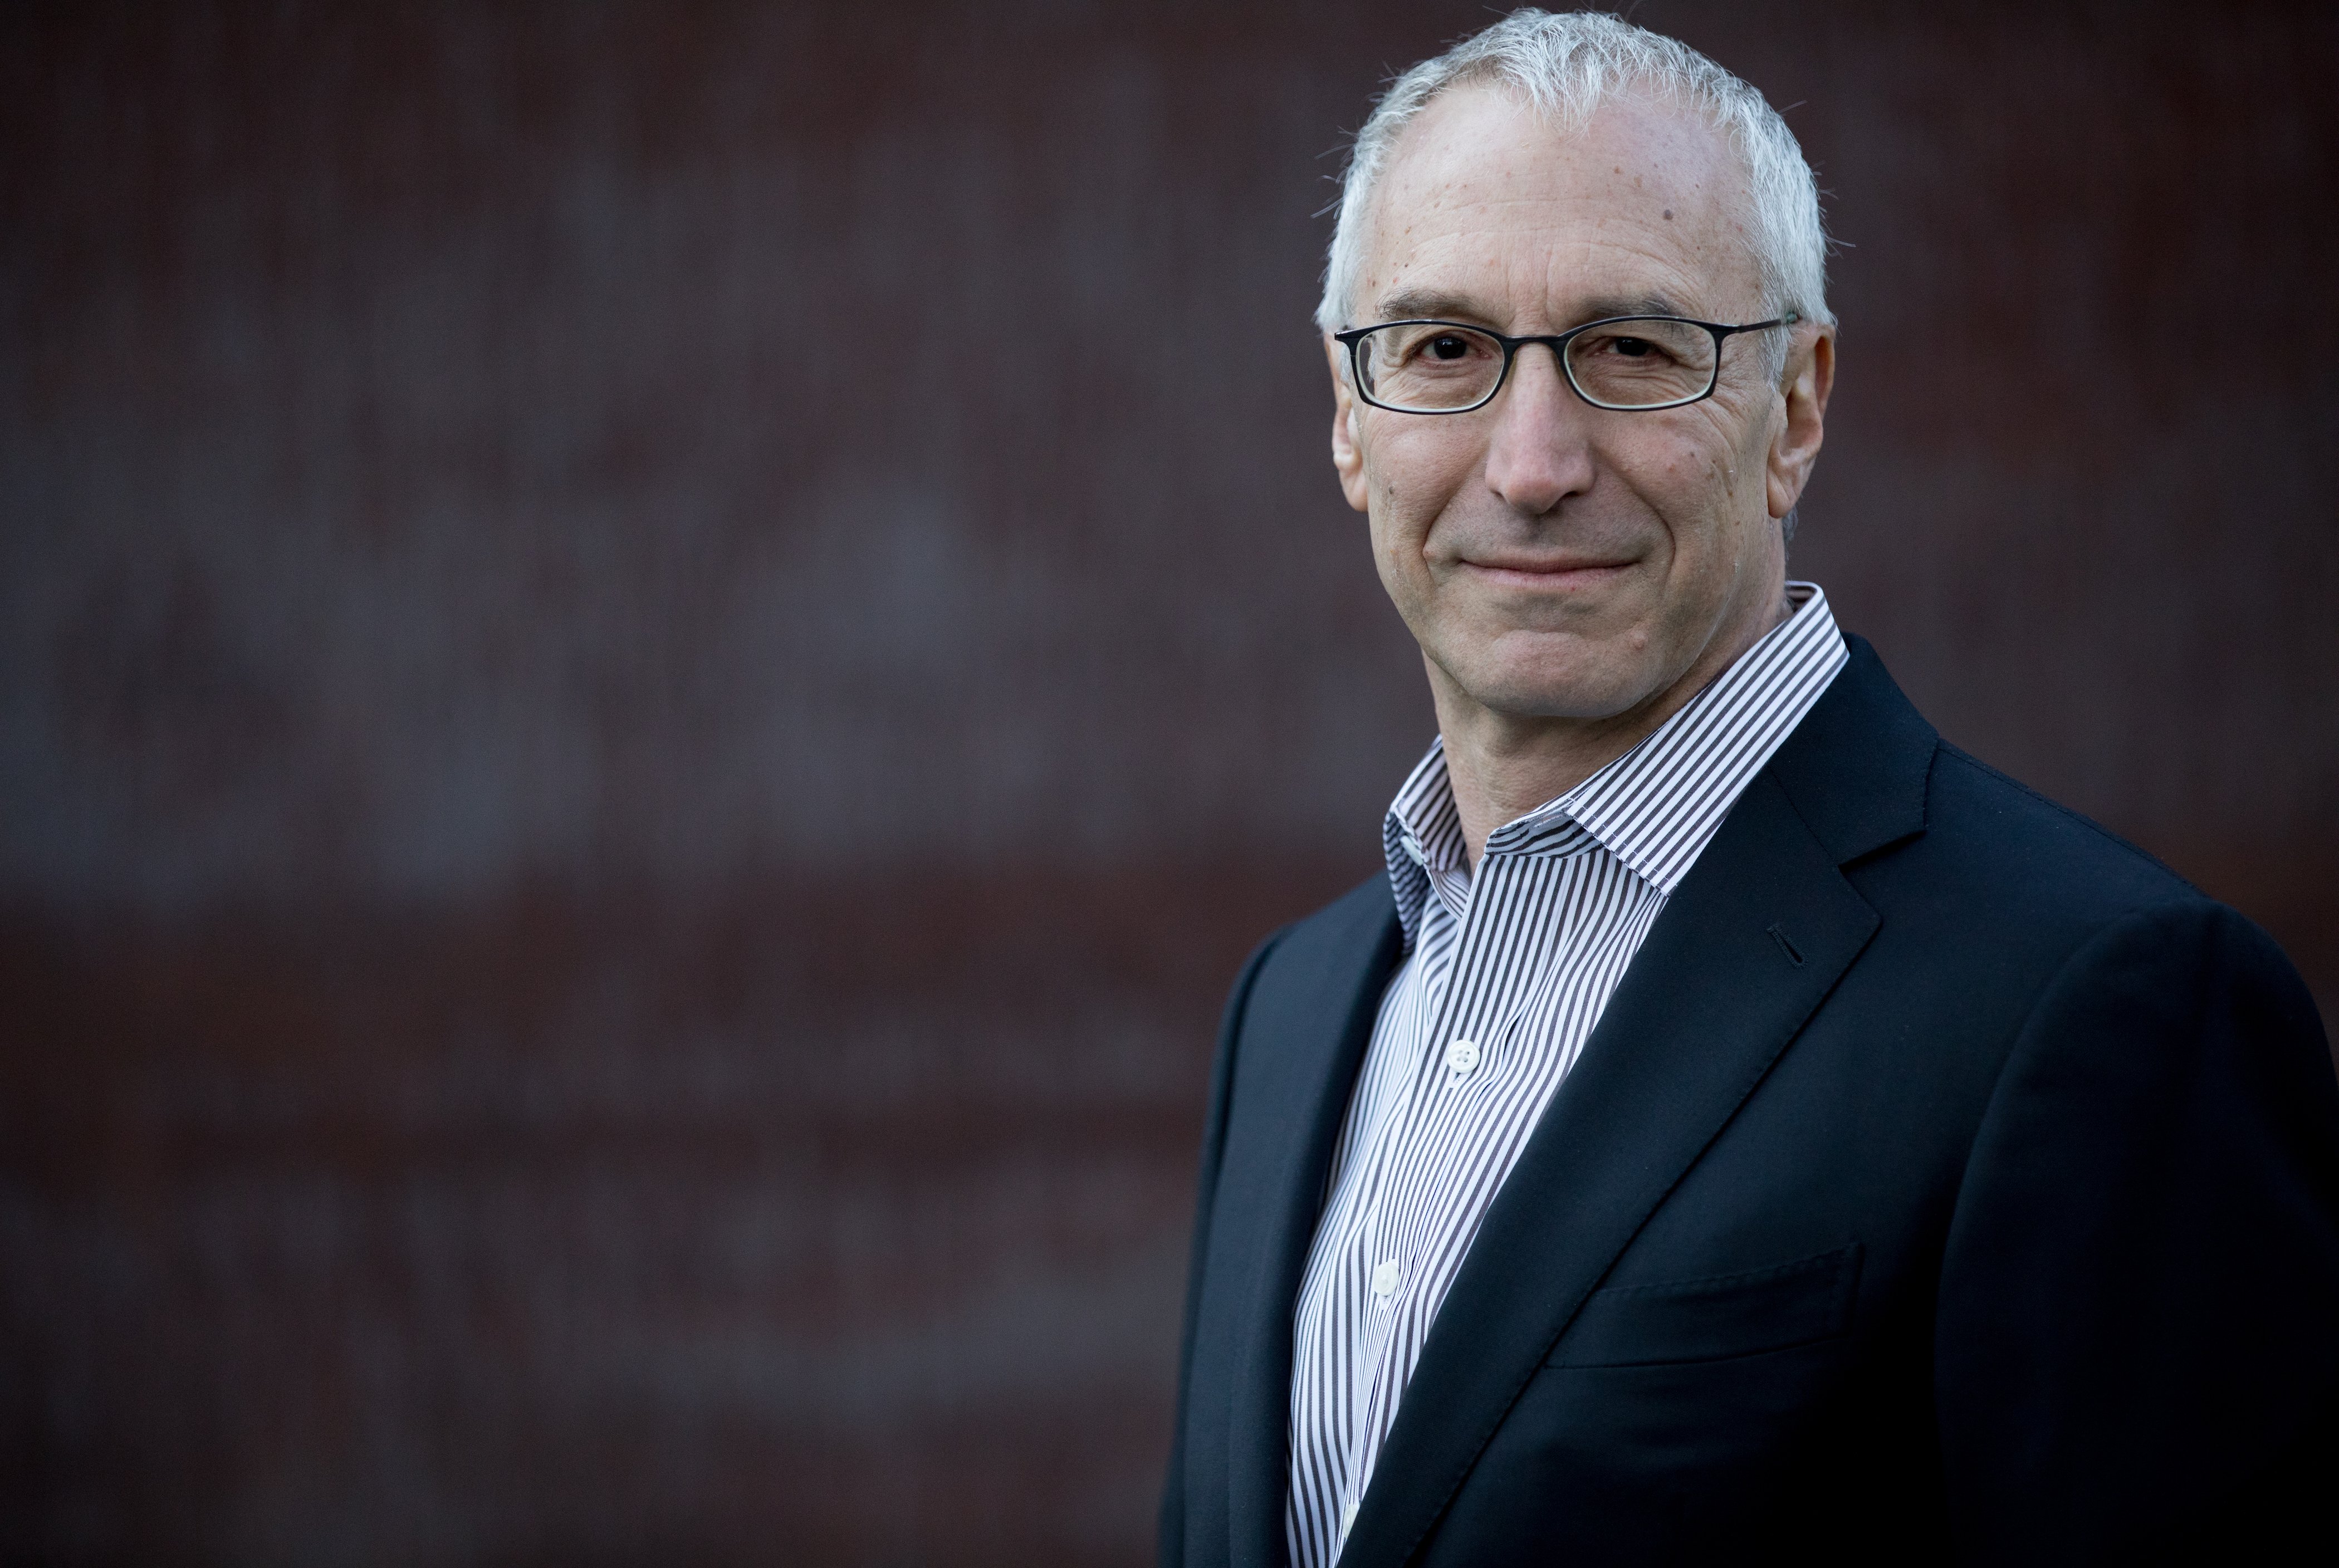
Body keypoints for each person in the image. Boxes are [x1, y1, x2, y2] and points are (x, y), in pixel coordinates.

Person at [1156, 11, 2339, 1566]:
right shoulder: (1296, 1007)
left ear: (1796, 407)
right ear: (1346, 417)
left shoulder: (2108, 1003)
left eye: (1632, 350)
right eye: (1443, 349)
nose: (1529, 461)